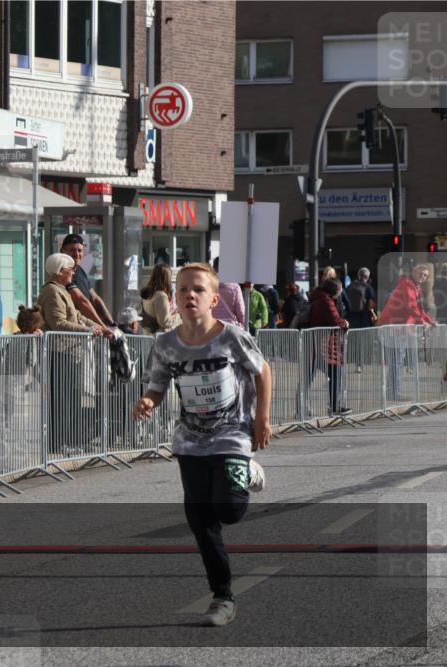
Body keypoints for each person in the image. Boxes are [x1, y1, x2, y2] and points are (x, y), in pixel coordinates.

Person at [133, 262, 271, 627]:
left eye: (197, 290)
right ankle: (222, 596)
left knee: (228, 510)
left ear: (213, 298)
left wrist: (262, 419)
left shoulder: (231, 336)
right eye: (182, 290)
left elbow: (263, 370)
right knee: (201, 521)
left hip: (232, 435)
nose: (189, 295)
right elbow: (157, 385)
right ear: (176, 299)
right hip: (190, 440)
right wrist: (148, 401)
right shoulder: (165, 344)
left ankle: (246, 471)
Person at [38, 252, 110, 453]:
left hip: (69, 351)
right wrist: (88, 331)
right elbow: (58, 323)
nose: (73, 272)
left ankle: (65, 441)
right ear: (60, 271)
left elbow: (78, 316)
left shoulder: (61, 290)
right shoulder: (52, 292)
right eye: (71, 269)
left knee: (70, 399)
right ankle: (58, 443)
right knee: (61, 400)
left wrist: (100, 327)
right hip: (60, 351)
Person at [378, 264, 436, 400]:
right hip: (394, 327)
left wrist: (430, 320)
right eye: (420, 273)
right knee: (396, 360)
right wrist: (423, 322)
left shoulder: (414, 286)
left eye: (425, 275)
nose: (422, 277)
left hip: (399, 327)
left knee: (397, 360)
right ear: (414, 272)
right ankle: (394, 393)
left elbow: (418, 309)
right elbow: (411, 307)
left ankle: (393, 393)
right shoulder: (407, 285)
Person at [308, 279, 350, 415]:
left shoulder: (317, 297)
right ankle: (334, 406)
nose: (341, 291)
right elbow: (335, 320)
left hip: (317, 342)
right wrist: (345, 324)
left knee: (309, 377)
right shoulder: (326, 301)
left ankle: (302, 407)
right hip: (325, 343)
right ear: (335, 289)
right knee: (335, 374)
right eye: (340, 289)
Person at [61, 233, 117, 332]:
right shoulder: (63, 273)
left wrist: (112, 325)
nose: (77, 254)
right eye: (72, 250)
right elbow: (82, 301)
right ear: (63, 251)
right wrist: (103, 327)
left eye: (80, 250)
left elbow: (95, 298)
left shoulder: (80, 271)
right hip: (73, 330)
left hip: (87, 328)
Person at [139, 264, 181, 335]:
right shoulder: (161, 296)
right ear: (166, 279)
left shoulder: (149, 294)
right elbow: (165, 322)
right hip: (162, 338)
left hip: (150, 337)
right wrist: (179, 315)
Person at [211, 258, 245, 328]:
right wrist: (242, 324)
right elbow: (241, 312)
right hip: (230, 327)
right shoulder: (235, 286)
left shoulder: (208, 285)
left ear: (214, 268)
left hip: (211, 327)